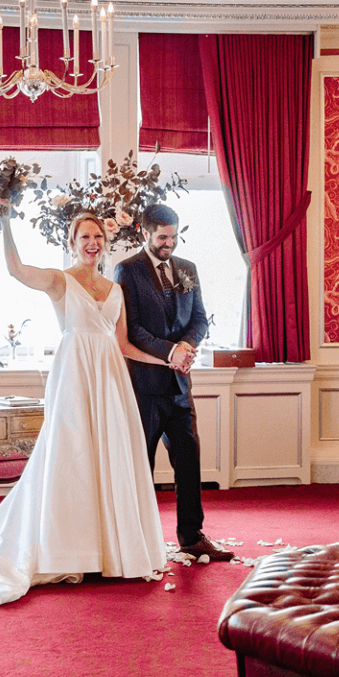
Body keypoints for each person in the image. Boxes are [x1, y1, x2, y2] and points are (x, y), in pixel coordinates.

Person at [0, 207, 172, 606]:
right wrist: (5, 222)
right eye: (84, 237)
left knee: (111, 457)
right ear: (72, 243)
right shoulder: (61, 281)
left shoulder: (116, 289)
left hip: (110, 378)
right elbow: (16, 269)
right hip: (75, 372)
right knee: (72, 456)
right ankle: (70, 550)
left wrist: (165, 360)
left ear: (105, 242)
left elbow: (124, 344)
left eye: (97, 237)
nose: (92, 244)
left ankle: (112, 550)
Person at [111, 204, 233, 562]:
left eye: (174, 236)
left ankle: (192, 536)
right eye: (162, 237)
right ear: (145, 233)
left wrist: (187, 347)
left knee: (189, 461)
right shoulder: (127, 270)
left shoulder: (188, 269)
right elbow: (131, 328)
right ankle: (137, 542)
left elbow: (199, 319)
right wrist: (169, 352)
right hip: (145, 386)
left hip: (180, 386)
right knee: (141, 465)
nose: (169, 243)